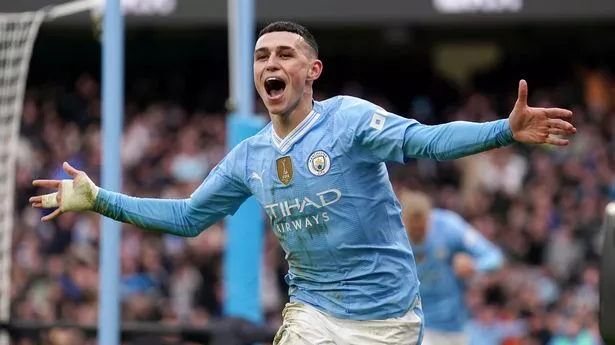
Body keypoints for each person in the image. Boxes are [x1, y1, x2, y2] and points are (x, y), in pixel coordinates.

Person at [29, 21, 575, 345]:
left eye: (285, 54)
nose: (272, 62)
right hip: (312, 310)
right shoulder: (249, 156)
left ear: (312, 71)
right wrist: (101, 200)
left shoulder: (349, 121)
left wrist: (504, 131)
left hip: (387, 319)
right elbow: (190, 217)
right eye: (262, 55)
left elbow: (424, 142)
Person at [399, 189, 504, 345]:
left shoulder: (449, 227)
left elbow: (495, 257)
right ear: (404, 221)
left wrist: (474, 266)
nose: (418, 233)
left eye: (422, 228)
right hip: (416, 327)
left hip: (455, 327)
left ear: (429, 218)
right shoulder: (395, 237)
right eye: (413, 230)